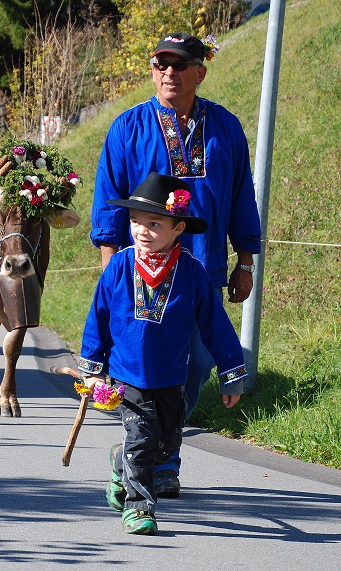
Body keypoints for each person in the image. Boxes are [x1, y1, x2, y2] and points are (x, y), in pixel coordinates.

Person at [90, 32, 261, 497]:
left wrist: (245, 260)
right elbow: (109, 198)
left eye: (180, 64)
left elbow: (241, 195)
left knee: (197, 363)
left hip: (200, 270)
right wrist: (112, 266)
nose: (170, 72)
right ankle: (153, 458)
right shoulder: (129, 127)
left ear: (199, 73)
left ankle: (158, 450)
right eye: (161, 64)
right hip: (139, 274)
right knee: (146, 367)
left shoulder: (225, 127)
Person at [79, 172, 246, 535]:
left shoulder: (192, 272)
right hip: (128, 376)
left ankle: (118, 461)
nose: (142, 230)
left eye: (155, 223)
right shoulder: (119, 268)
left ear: (178, 227)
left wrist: (231, 373)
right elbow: (98, 320)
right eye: (136, 221)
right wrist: (92, 369)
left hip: (172, 376)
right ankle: (139, 507)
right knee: (141, 440)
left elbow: (215, 326)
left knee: (167, 441)